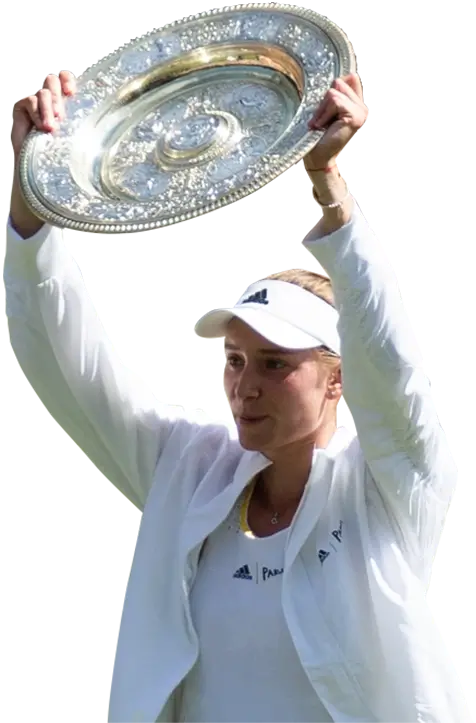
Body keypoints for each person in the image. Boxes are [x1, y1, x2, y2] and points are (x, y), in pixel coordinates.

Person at [5, 67, 471, 723]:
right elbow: (74, 371)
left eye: (275, 363)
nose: (244, 386)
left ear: (337, 377)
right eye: (234, 360)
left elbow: (392, 368)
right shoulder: (190, 472)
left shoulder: (389, 489)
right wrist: (32, 210)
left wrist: (332, 195)